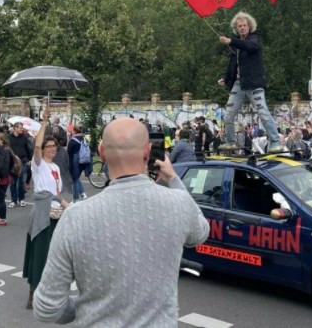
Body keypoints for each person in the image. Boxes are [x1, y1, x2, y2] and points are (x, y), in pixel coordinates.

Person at [33, 118, 209, 326]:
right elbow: (200, 233)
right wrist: (173, 179)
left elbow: (46, 308)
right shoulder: (178, 203)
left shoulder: (75, 217)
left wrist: (89, 308)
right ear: (148, 152)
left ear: (102, 152)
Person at [23, 104, 69, 309]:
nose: (51, 149)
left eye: (53, 147)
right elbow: (36, 147)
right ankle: (33, 293)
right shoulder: (38, 165)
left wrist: (63, 203)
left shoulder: (56, 167)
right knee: (40, 252)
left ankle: (49, 290)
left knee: (54, 253)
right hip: (42, 213)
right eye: (47, 147)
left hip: (56, 213)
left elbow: (57, 192)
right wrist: (43, 122)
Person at [217, 11, 282, 153]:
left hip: (254, 84)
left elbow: (250, 47)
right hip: (239, 85)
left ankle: (276, 142)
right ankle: (231, 142)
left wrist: (231, 41)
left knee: (263, 112)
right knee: (228, 114)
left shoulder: (255, 39)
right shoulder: (235, 45)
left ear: (249, 26)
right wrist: (225, 78)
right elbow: (232, 64)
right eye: (239, 26)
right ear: (236, 28)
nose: (242, 28)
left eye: (244, 25)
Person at [0, 133, 15, 227]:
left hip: (2, 178)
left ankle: (2, 219)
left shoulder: (5, 151)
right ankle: (0, 216)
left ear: (2, 141)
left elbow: (4, 166)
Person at [9, 122, 32, 208]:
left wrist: (29, 159)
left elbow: (28, 149)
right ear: (15, 128)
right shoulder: (9, 137)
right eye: (20, 128)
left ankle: (21, 199)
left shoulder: (24, 138)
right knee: (13, 182)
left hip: (23, 161)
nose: (22, 129)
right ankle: (13, 200)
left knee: (22, 181)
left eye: (22, 128)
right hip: (12, 162)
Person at [67, 126, 89, 202]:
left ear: (74, 131)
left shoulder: (73, 141)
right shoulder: (84, 139)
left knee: (75, 179)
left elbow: (69, 153)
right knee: (76, 178)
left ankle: (76, 199)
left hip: (74, 162)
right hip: (84, 161)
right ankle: (83, 194)